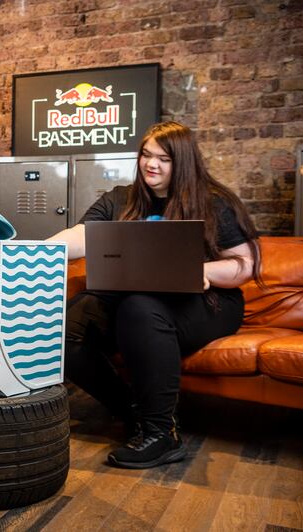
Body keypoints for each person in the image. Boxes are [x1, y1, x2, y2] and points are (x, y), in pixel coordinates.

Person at [50, 121, 262, 469]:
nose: (151, 165)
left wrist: (202, 271)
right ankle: (135, 414)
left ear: (183, 163)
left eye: (164, 159)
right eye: (146, 155)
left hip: (205, 303)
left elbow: (246, 264)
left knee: (140, 308)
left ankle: (161, 435)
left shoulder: (214, 202)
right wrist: (36, 250)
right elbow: (81, 235)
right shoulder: (120, 198)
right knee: (65, 323)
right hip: (135, 298)